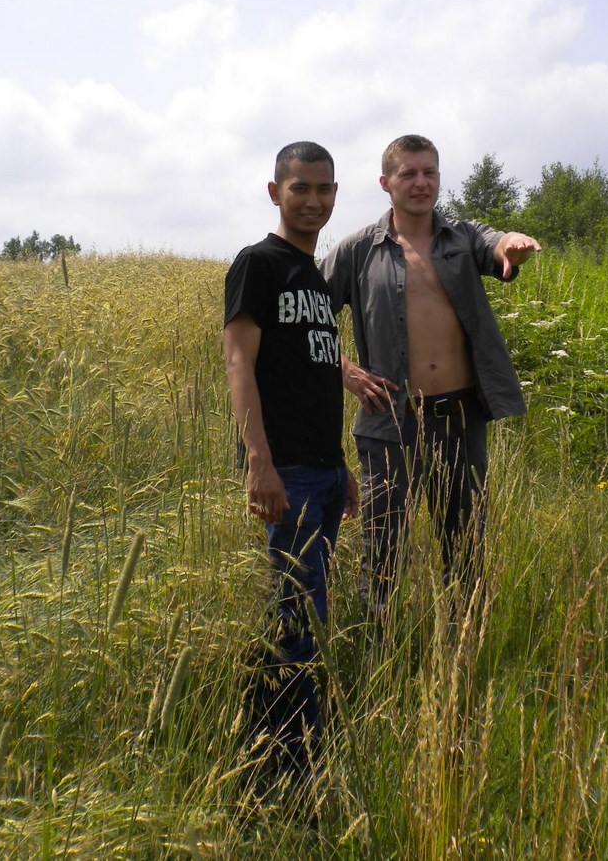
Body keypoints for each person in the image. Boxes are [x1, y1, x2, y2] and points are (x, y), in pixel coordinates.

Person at [319, 134, 540, 616]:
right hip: (389, 421)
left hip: (461, 418)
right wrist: (345, 370)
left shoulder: (461, 236)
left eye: (430, 173)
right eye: (409, 174)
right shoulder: (357, 250)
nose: (421, 183)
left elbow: (494, 243)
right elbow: (305, 316)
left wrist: (511, 245)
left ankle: (461, 652)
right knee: (382, 551)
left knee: (465, 548)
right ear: (386, 183)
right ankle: (380, 652)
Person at [223, 141, 358, 783]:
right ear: (275, 192)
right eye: (300, 188)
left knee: (305, 615)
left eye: (324, 190)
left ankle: (277, 751)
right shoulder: (260, 264)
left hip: (323, 473)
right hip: (287, 476)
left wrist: (341, 468)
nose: (313, 201)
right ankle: (290, 772)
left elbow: (314, 373)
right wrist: (259, 462)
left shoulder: (318, 279)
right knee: (296, 624)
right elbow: (238, 363)